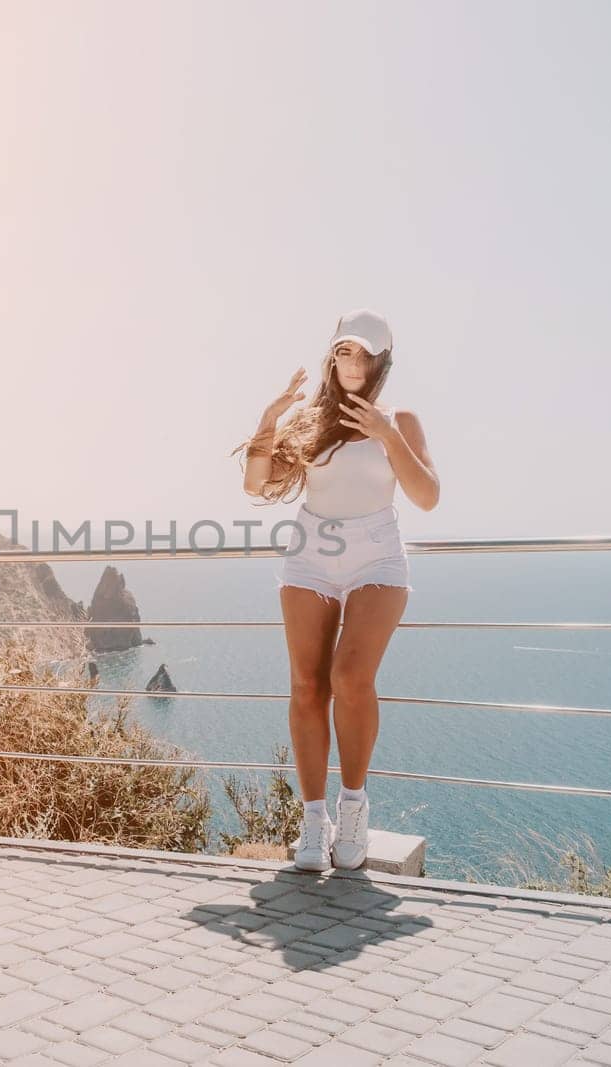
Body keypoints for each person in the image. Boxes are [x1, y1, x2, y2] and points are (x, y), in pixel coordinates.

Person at [233, 310, 440, 872]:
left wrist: (388, 436)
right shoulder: (305, 420)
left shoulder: (401, 419)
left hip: (377, 555)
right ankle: (314, 819)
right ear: (333, 356)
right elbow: (257, 484)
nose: (353, 362)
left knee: (351, 677)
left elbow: (426, 496)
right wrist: (269, 420)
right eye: (344, 351)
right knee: (306, 686)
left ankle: (353, 806)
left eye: (365, 354)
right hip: (311, 554)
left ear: (382, 362)